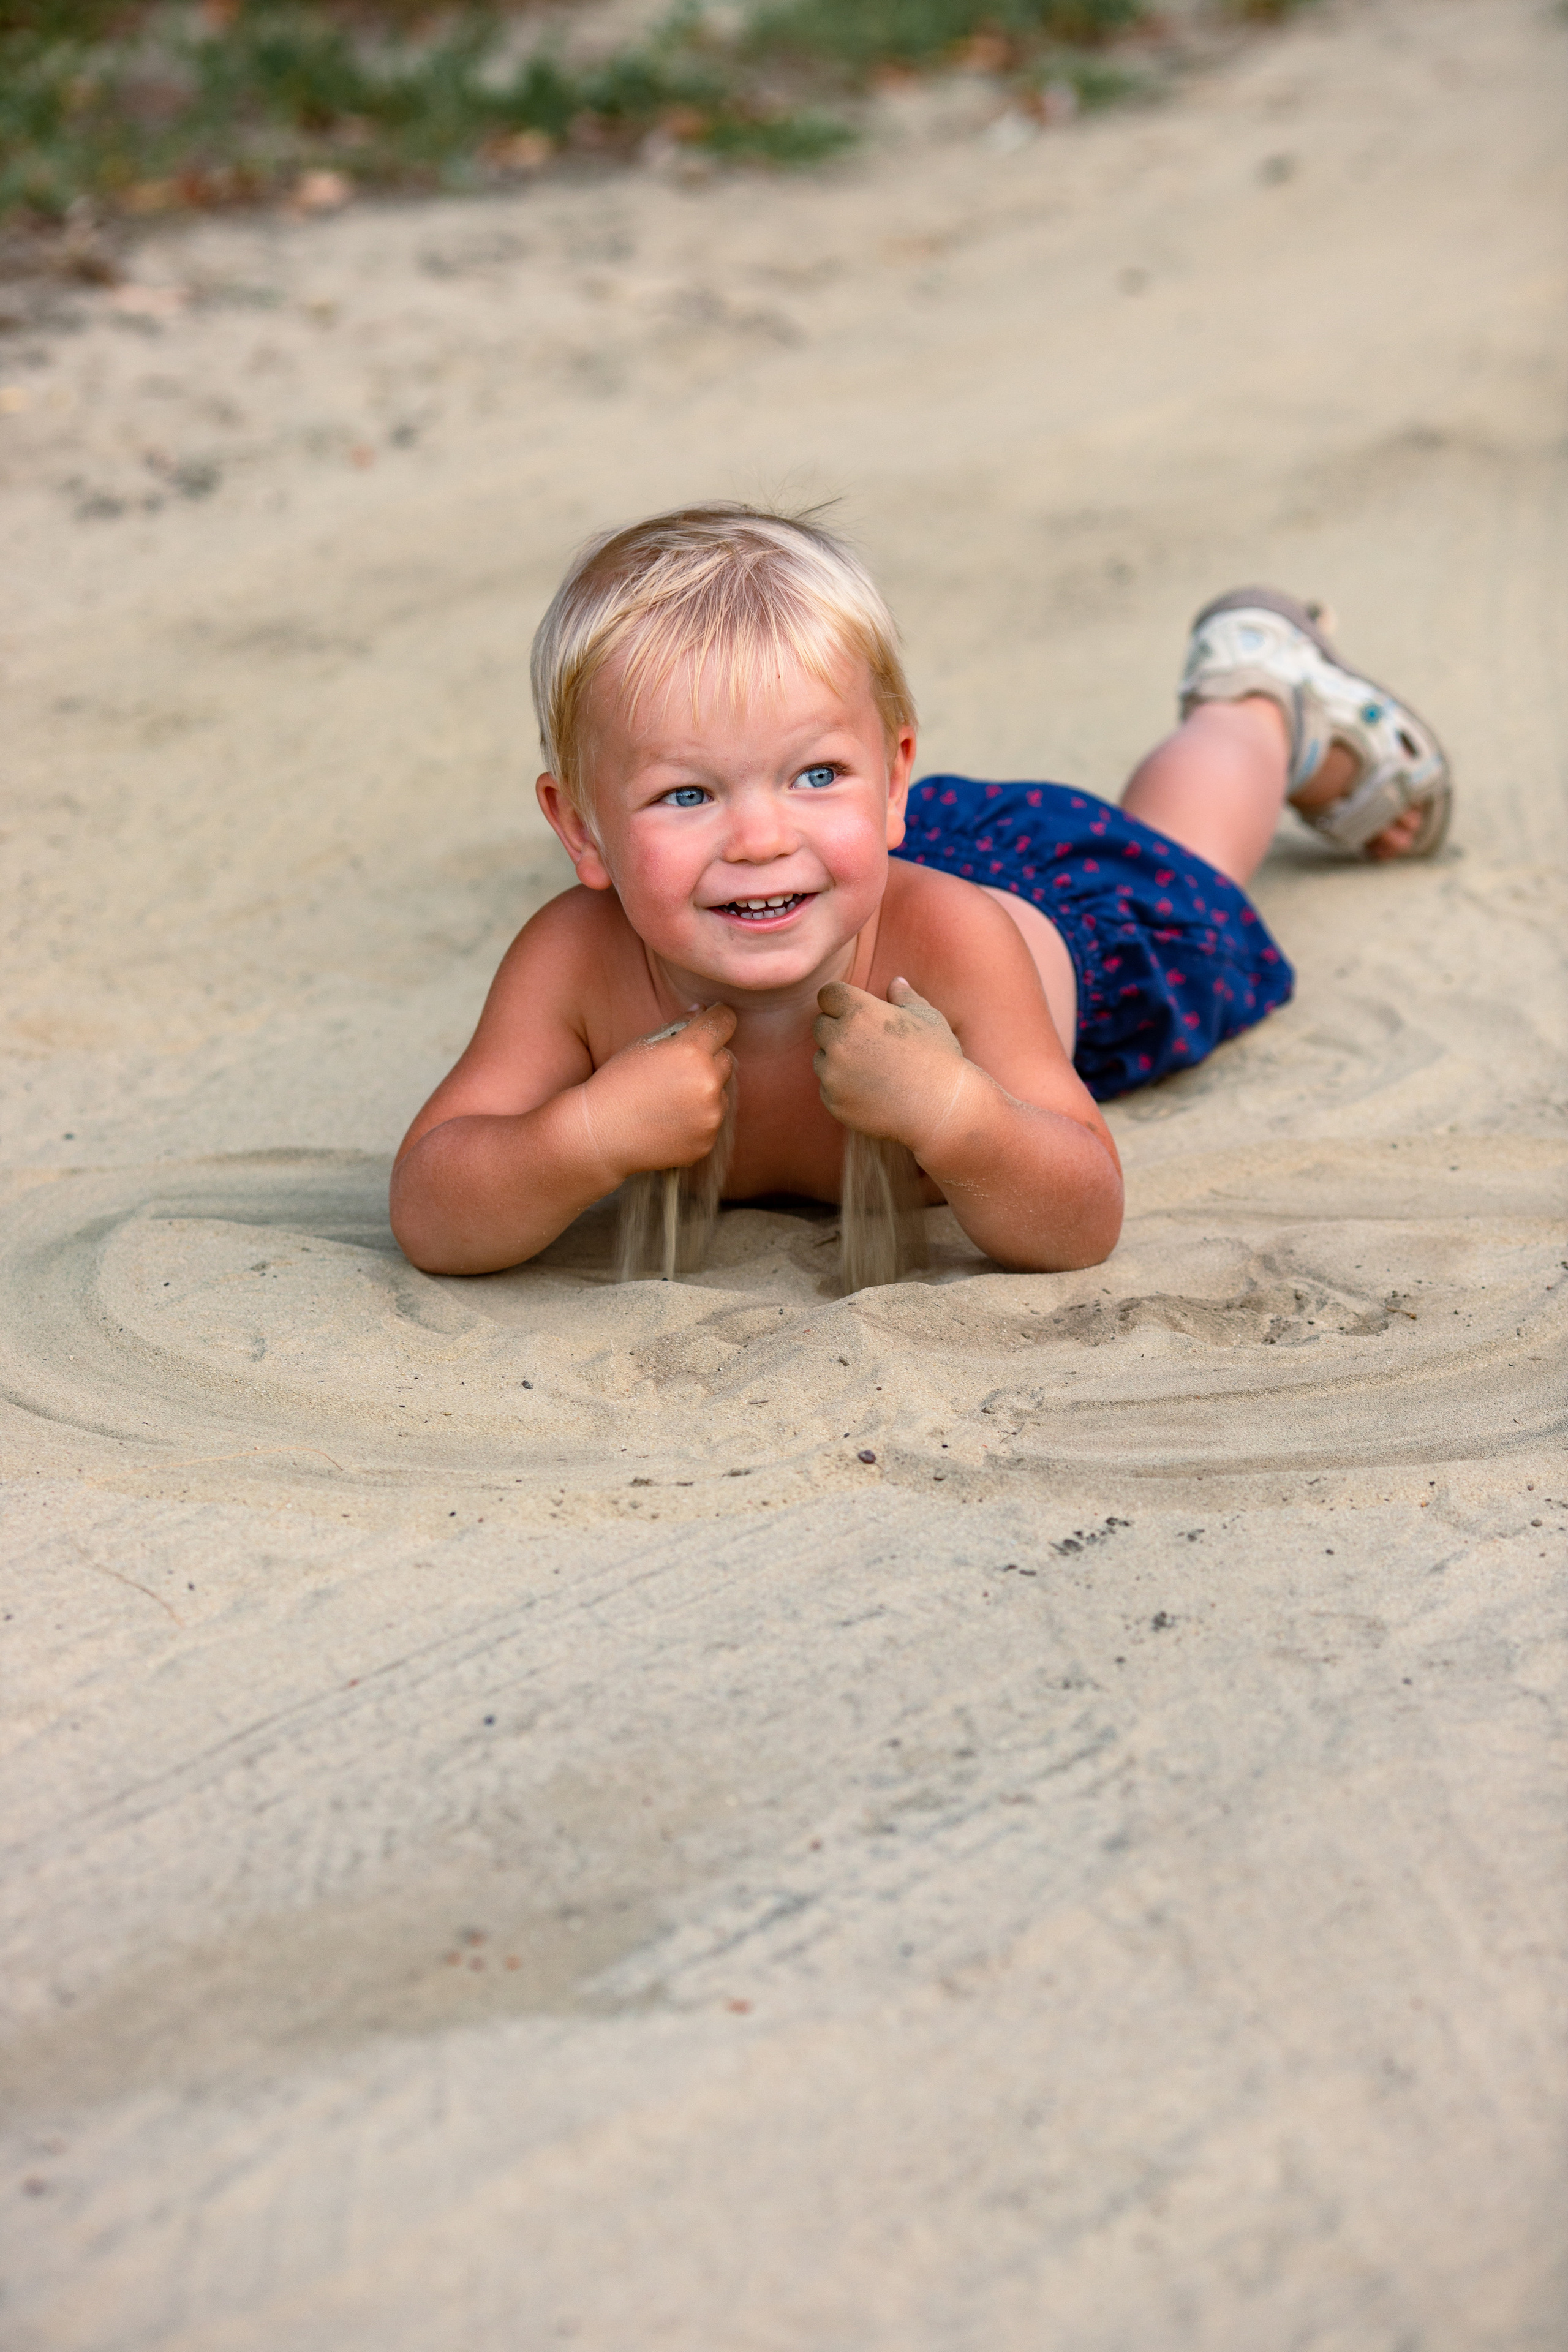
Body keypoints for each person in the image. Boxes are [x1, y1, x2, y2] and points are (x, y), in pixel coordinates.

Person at [390, 504, 1451, 1280]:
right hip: (853, 868)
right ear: (581, 828)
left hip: (1046, 910)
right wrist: (584, 1136)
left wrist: (956, 1112)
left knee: (1188, 862)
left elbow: (1082, 1219)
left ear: (894, 780)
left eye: (815, 772)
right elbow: (434, 1213)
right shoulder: (574, 961)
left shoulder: (957, 944)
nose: (761, 837)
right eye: (686, 793)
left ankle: (1259, 701)